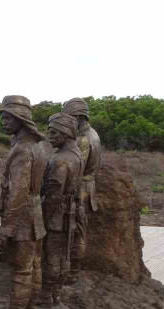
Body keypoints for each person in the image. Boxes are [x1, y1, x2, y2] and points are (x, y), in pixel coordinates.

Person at [0, 95, 49, 309]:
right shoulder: (38, 146)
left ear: (20, 119)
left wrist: (6, 228)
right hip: (36, 215)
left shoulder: (22, 151)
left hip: (23, 218)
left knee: (22, 270)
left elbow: (18, 193)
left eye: (8, 117)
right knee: (34, 266)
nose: (4, 121)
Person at [40, 112, 83, 306]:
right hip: (70, 213)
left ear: (66, 133)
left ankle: (47, 295)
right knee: (64, 255)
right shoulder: (77, 155)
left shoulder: (61, 160)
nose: (49, 136)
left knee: (52, 256)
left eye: (53, 132)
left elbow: (53, 195)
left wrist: (42, 216)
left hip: (57, 216)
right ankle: (56, 293)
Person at [62, 98, 102, 284]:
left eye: (69, 118)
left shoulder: (84, 139)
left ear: (78, 116)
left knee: (76, 231)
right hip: (86, 188)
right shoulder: (91, 134)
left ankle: (73, 273)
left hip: (80, 190)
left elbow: (76, 169)